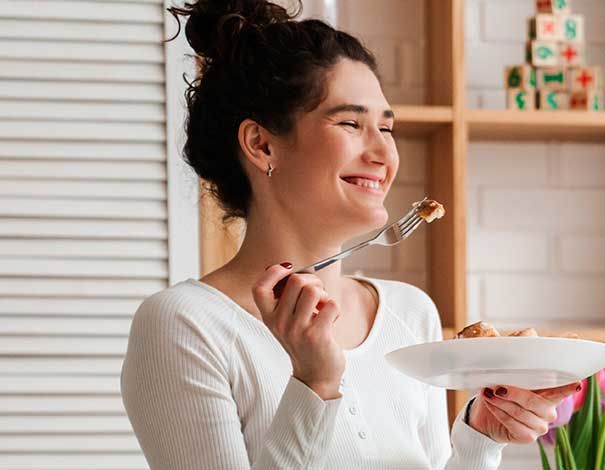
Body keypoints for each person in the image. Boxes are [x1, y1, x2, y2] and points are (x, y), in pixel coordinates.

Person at [120, 1, 580, 468]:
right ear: (261, 144)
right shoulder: (185, 324)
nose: (384, 152)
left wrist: (481, 438)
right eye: (351, 124)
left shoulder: (408, 312)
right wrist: (314, 385)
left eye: (386, 126)